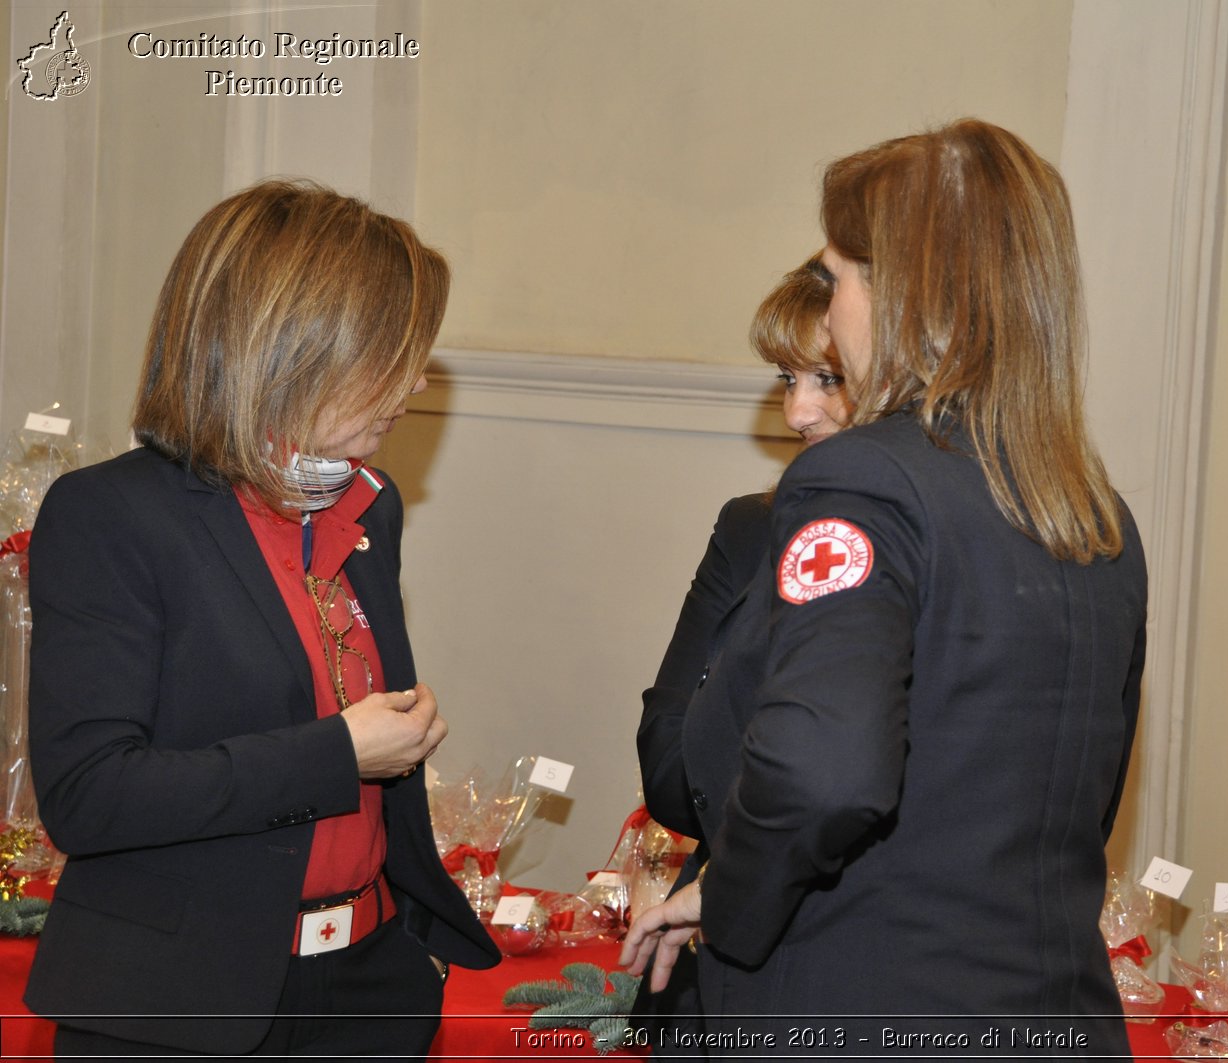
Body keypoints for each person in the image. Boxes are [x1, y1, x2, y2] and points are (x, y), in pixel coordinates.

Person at [621, 119, 1147, 1055]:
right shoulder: (1091, 510)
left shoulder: (862, 478)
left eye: (841, 278)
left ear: (906, 292)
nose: (831, 309)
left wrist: (734, 893)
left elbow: (827, 769)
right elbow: (1059, 805)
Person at [24, 179, 500, 1058]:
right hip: (184, 1006)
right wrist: (340, 753)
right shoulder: (112, 516)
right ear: (293, 351)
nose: (419, 382)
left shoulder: (370, 502)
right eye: (394, 354)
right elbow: (90, 796)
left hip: (367, 987)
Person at [631, 256, 849, 1052]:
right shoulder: (754, 528)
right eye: (788, 378)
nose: (799, 411)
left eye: (828, 378)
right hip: (716, 953)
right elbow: (666, 765)